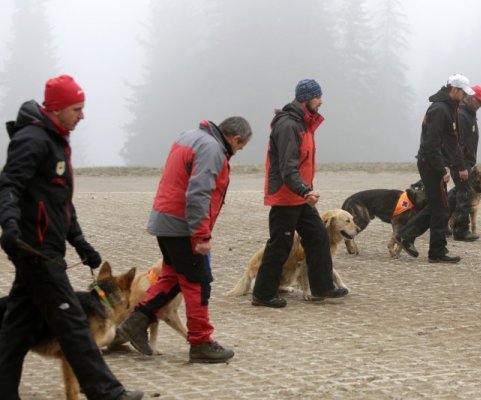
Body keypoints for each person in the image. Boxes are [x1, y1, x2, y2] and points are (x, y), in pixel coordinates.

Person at [0, 75, 143, 400]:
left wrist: (80, 243)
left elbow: (60, 201)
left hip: (46, 246)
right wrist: (8, 227)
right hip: (34, 249)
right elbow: (8, 186)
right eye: (77, 109)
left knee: (16, 330)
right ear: (57, 108)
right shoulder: (33, 140)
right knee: (75, 324)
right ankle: (106, 393)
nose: (82, 115)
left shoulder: (55, 140)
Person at [117, 116, 252, 363]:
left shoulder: (189, 136)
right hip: (183, 226)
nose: (238, 151)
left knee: (171, 278)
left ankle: (134, 323)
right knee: (198, 283)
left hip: (165, 220)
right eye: (240, 147)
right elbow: (199, 193)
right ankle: (201, 343)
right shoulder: (212, 149)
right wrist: (201, 234)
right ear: (235, 138)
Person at [251, 79, 349, 308]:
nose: (321, 101)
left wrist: (304, 192)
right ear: (307, 99)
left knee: (317, 236)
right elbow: (287, 167)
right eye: (318, 97)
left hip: (300, 196)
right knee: (280, 245)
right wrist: (305, 190)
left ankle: (322, 287)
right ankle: (262, 294)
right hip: (287, 196)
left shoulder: (303, 123)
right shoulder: (289, 126)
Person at [394, 74, 474, 264]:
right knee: (441, 208)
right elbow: (431, 144)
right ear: (454, 90)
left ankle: (406, 235)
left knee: (438, 206)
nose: (465, 97)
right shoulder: (440, 109)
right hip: (431, 163)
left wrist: (459, 165)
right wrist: (442, 170)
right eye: (463, 93)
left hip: (434, 163)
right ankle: (436, 251)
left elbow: (451, 142)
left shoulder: (450, 107)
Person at [447, 85, 481, 241]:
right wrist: (461, 166)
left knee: (455, 194)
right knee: (465, 194)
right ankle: (461, 230)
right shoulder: (462, 115)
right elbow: (457, 143)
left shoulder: (469, 114)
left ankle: (441, 223)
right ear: (470, 98)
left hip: (466, 162)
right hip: (461, 163)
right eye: (479, 101)